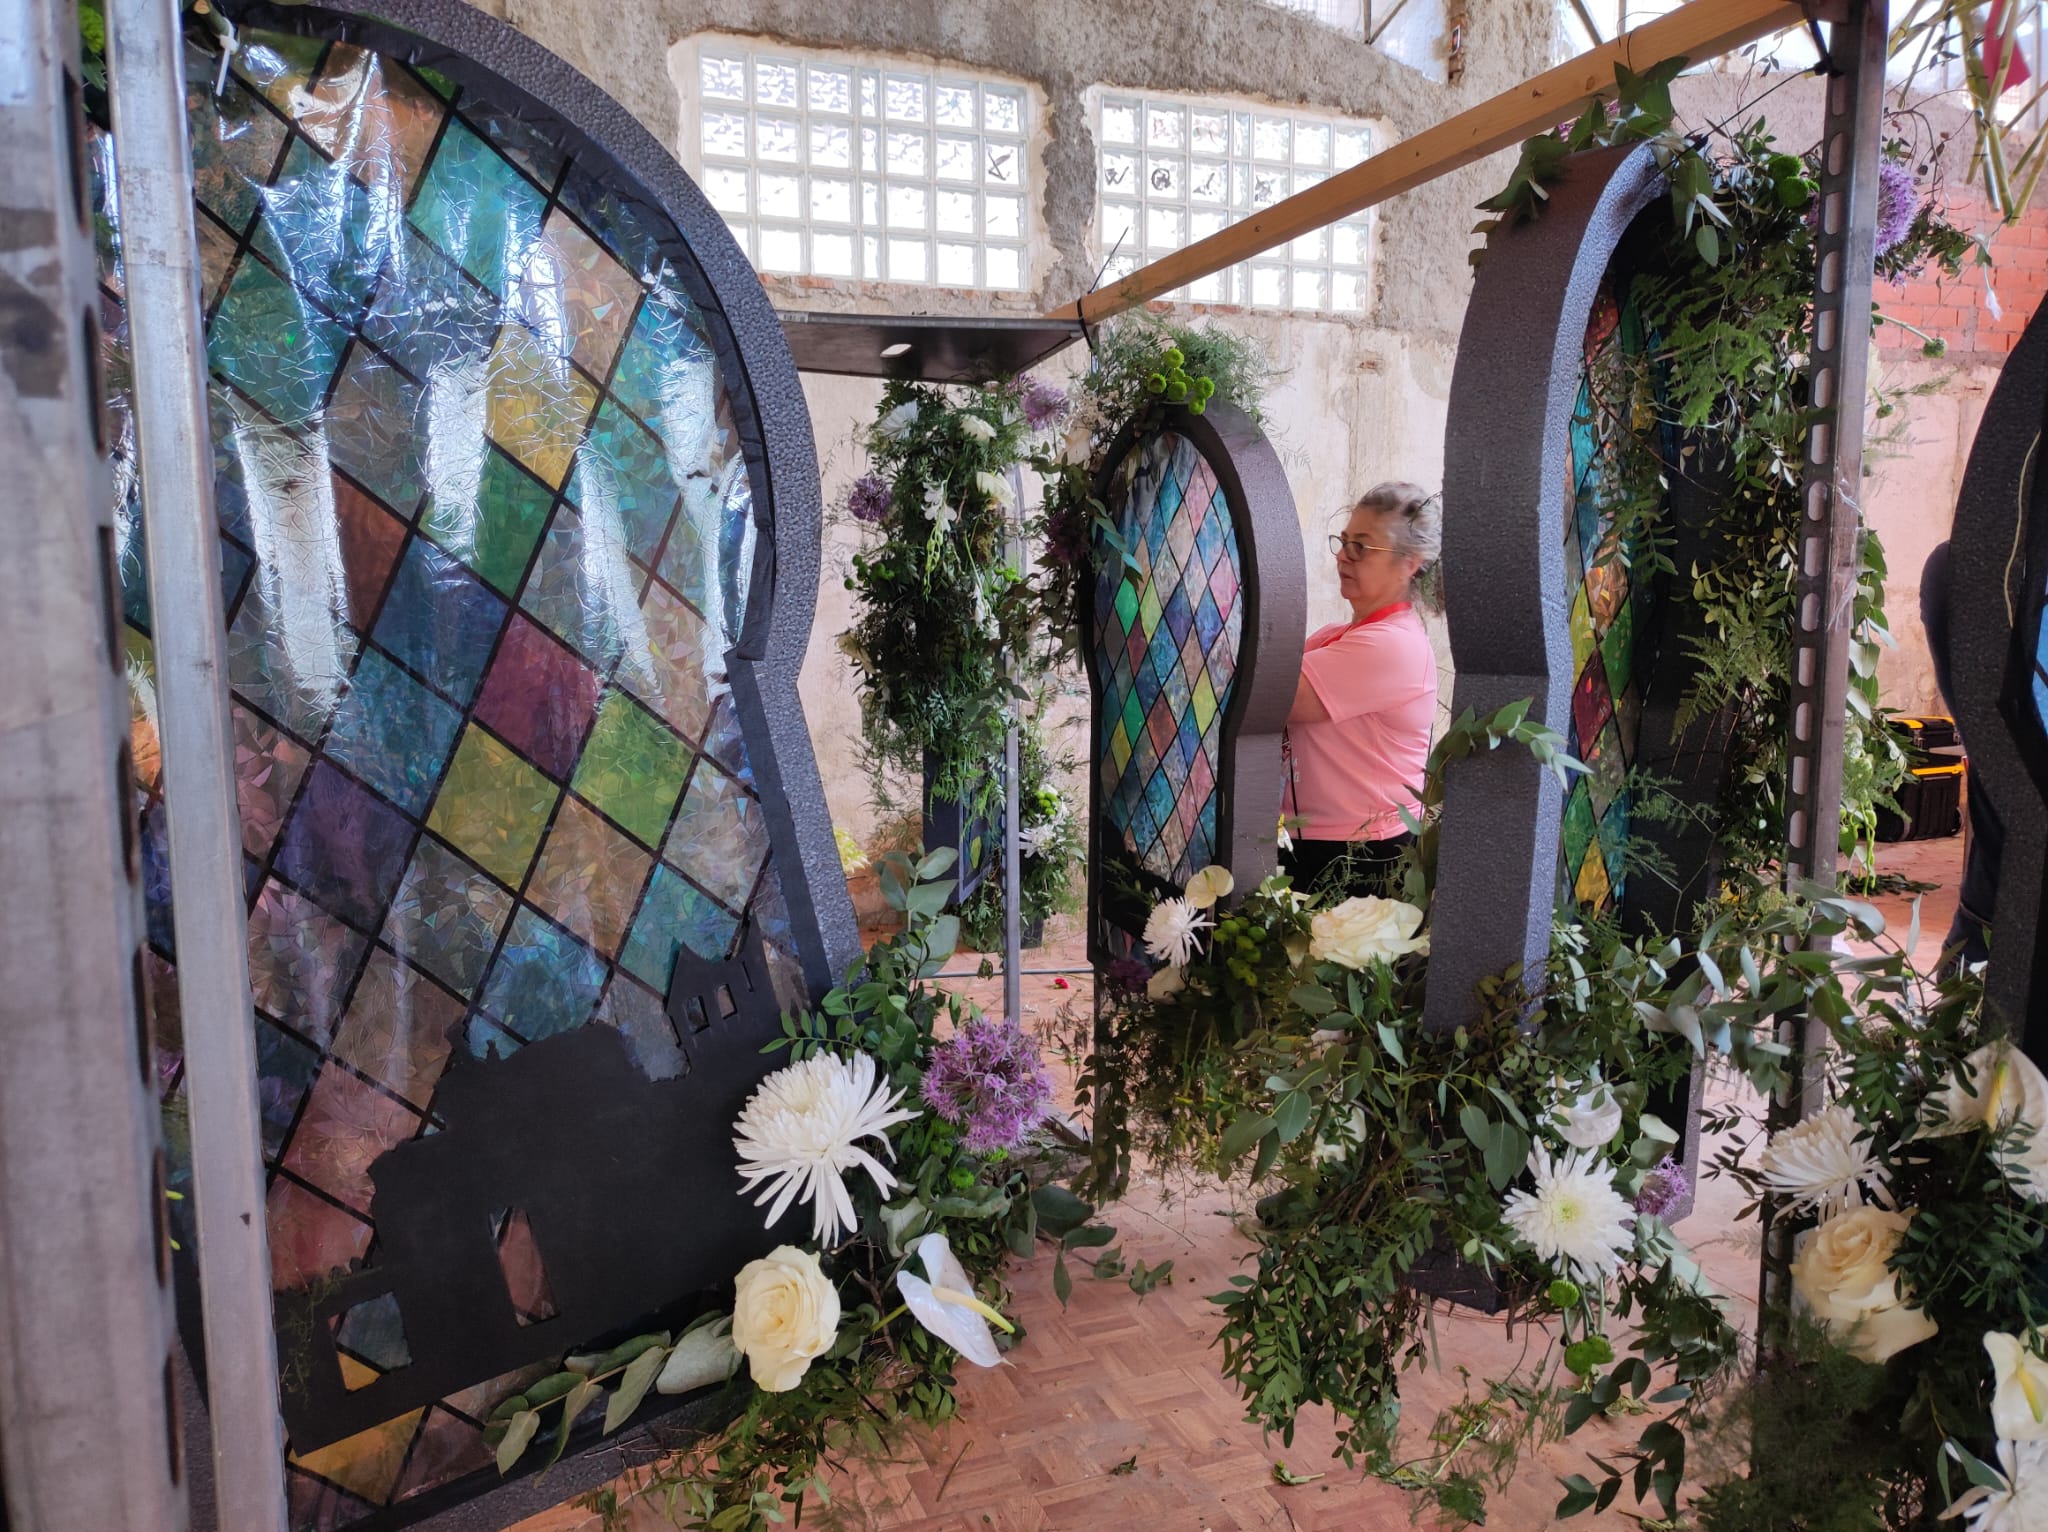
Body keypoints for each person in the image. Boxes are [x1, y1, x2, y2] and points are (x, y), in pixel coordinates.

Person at [1281, 482, 1442, 900]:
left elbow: (1271, 696)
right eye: (1344, 542)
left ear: (1411, 564)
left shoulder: (1394, 645)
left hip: (1365, 855)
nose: (1343, 557)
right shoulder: (1336, 636)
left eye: (1362, 547)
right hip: (1323, 844)